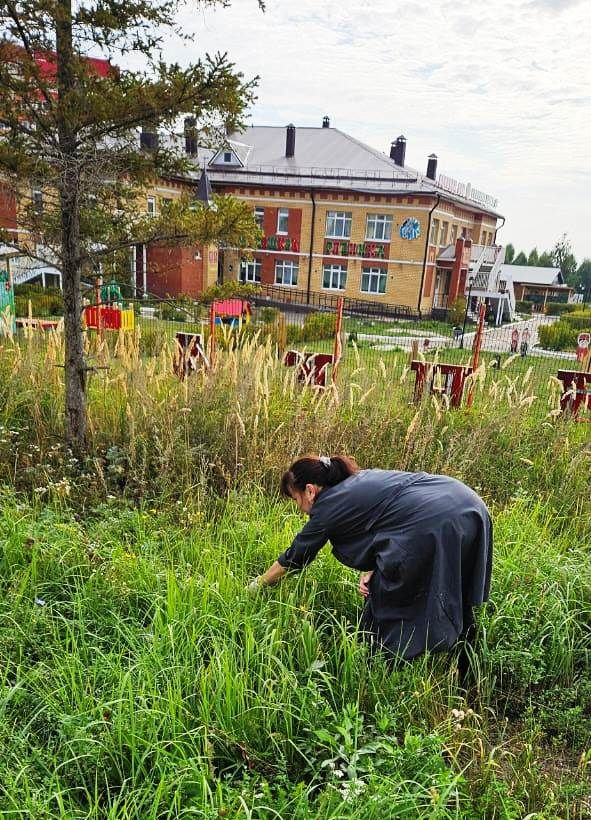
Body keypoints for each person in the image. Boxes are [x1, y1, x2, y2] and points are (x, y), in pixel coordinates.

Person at [250, 455, 492, 665]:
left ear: (310, 491)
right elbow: (393, 520)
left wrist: (258, 584)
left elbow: (295, 557)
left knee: (388, 595)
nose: (299, 508)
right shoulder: (358, 481)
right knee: (458, 588)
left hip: (438, 521)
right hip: (468, 504)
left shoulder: (327, 508)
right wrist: (376, 566)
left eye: (295, 499)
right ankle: (467, 655)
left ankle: (385, 661)